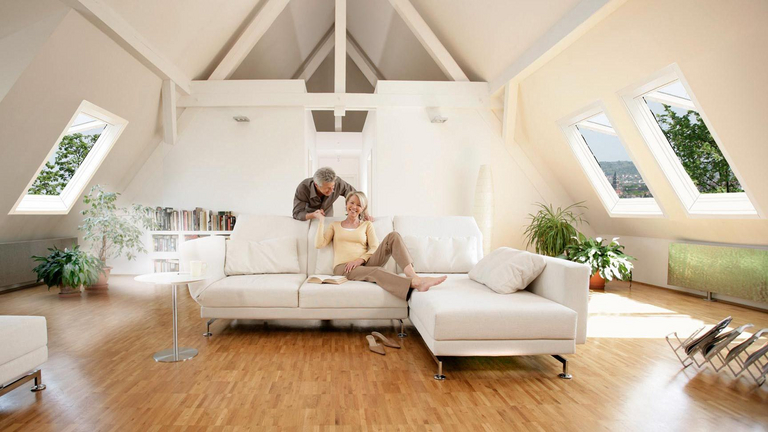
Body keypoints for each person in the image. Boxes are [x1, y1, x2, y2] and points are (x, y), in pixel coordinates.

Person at [314, 191, 446, 300]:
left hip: (365, 262)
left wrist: (360, 259)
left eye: (359, 205)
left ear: (363, 209)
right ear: (346, 204)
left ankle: (413, 276)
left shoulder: (367, 225)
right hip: (345, 267)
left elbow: (374, 247)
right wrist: (321, 221)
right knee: (377, 271)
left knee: (393, 236)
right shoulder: (335, 226)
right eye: (351, 203)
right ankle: (416, 283)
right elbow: (319, 244)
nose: (354, 207)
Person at [293, 167, 363, 221]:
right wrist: (313, 215)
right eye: (328, 188)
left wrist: (364, 213)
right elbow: (297, 213)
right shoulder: (303, 188)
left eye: (333, 186)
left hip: (328, 218)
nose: (332, 190)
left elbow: (357, 197)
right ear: (316, 185)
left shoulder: (338, 183)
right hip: (309, 219)